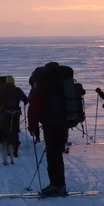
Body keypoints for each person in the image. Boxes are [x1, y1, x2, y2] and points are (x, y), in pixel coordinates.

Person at [27, 62, 69, 197]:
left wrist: (33, 126)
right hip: (63, 122)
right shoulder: (61, 82)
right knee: (56, 153)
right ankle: (58, 184)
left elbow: (33, 107)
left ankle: (57, 186)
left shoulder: (42, 85)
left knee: (53, 154)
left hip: (50, 123)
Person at [0, 75, 28, 157]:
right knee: (15, 130)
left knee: (6, 130)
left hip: (6, 112)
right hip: (16, 112)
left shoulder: (4, 90)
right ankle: (15, 149)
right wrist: (24, 101)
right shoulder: (17, 90)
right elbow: (25, 99)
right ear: (13, 82)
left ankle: (7, 148)